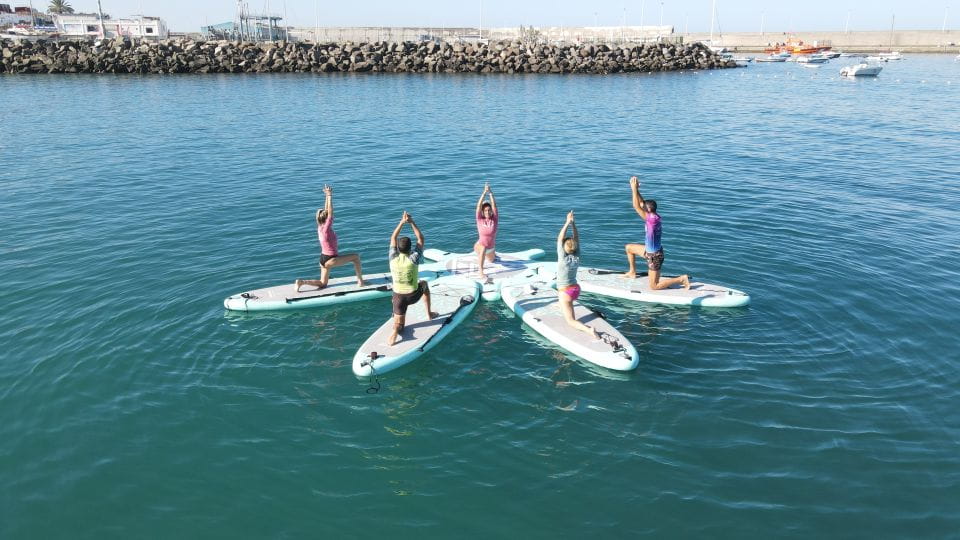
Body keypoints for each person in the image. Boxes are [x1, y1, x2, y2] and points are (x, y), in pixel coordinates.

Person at [623, 176, 691, 290]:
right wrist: (638, 191)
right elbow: (641, 203)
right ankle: (632, 272)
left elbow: (636, 205)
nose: (641, 207)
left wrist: (633, 189)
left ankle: (682, 279)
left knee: (654, 286)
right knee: (629, 248)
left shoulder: (651, 220)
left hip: (655, 256)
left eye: (643, 208)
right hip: (649, 251)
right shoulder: (654, 215)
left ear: (647, 210)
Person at [295, 184, 365, 292]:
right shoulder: (327, 228)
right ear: (326, 219)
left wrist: (327, 196)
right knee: (356, 257)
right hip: (331, 259)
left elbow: (327, 211)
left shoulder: (320, 227)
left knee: (323, 284)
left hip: (322, 259)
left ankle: (302, 282)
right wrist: (330, 196)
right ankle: (361, 282)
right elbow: (330, 212)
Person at [388, 211, 438, 346]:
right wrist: (411, 222)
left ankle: (395, 330)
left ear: (398, 248)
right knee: (424, 284)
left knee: (400, 325)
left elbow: (393, 238)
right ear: (410, 249)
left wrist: (401, 222)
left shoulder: (392, 258)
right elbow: (421, 239)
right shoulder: (414, 258)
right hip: (413, 295)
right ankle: (429, 314)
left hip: (398, 297)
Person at [556, 210, 599, 339]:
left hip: (566, 292)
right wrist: (573, 224)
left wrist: (567, 222)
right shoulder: (576, 255)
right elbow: (576, 238)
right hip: (575, 289)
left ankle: (589, 330)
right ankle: (562, 304)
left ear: (564, 248)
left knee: (570, 321)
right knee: (563, 301)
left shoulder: (563, 258)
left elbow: (559, 238)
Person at [473, 182, 499, 280]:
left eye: (489, 210)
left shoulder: (495, 219)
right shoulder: (479, 219)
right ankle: (480, 272)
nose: (487, 212)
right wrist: (484, 193)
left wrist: (491, 193)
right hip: (480, 245)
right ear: (483, 212)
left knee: (492, 261)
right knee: (483, 248)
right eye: (485, 210)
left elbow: (494, 205)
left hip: (491, 248)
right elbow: (479, 206)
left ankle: (490, 255)